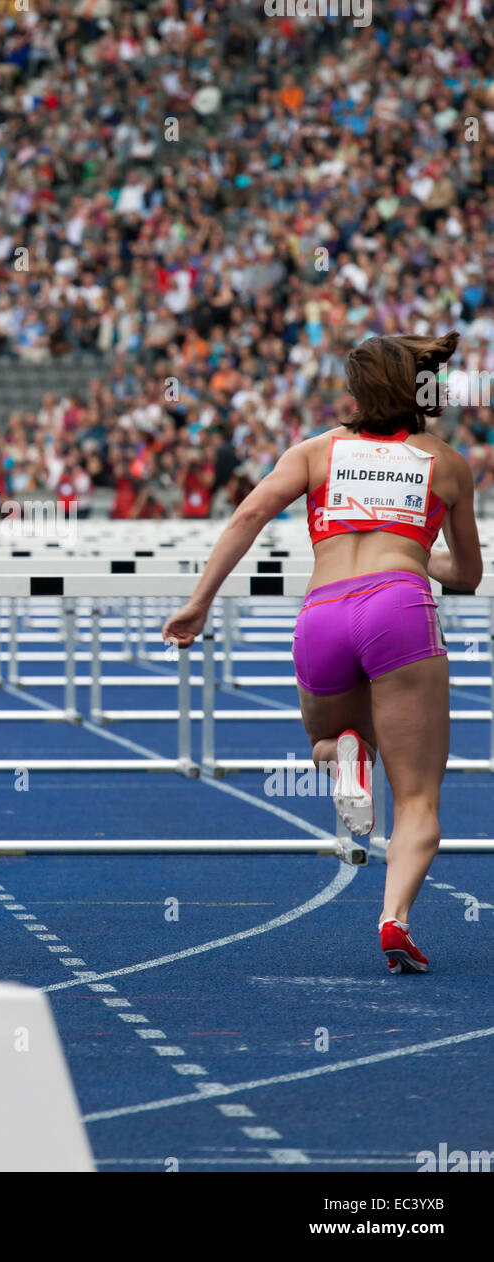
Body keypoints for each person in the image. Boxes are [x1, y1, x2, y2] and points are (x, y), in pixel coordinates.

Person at [163, 333, 482, 974]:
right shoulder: (445, 462)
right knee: (418, 798)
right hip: (400, 605)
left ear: (355, 393)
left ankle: (346, 753)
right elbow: (468, 575)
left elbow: (248, 516)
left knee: (327, 742)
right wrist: (415, 553)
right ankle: (395, 920)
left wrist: (199, 601)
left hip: (323, 612)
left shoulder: (316, 451)